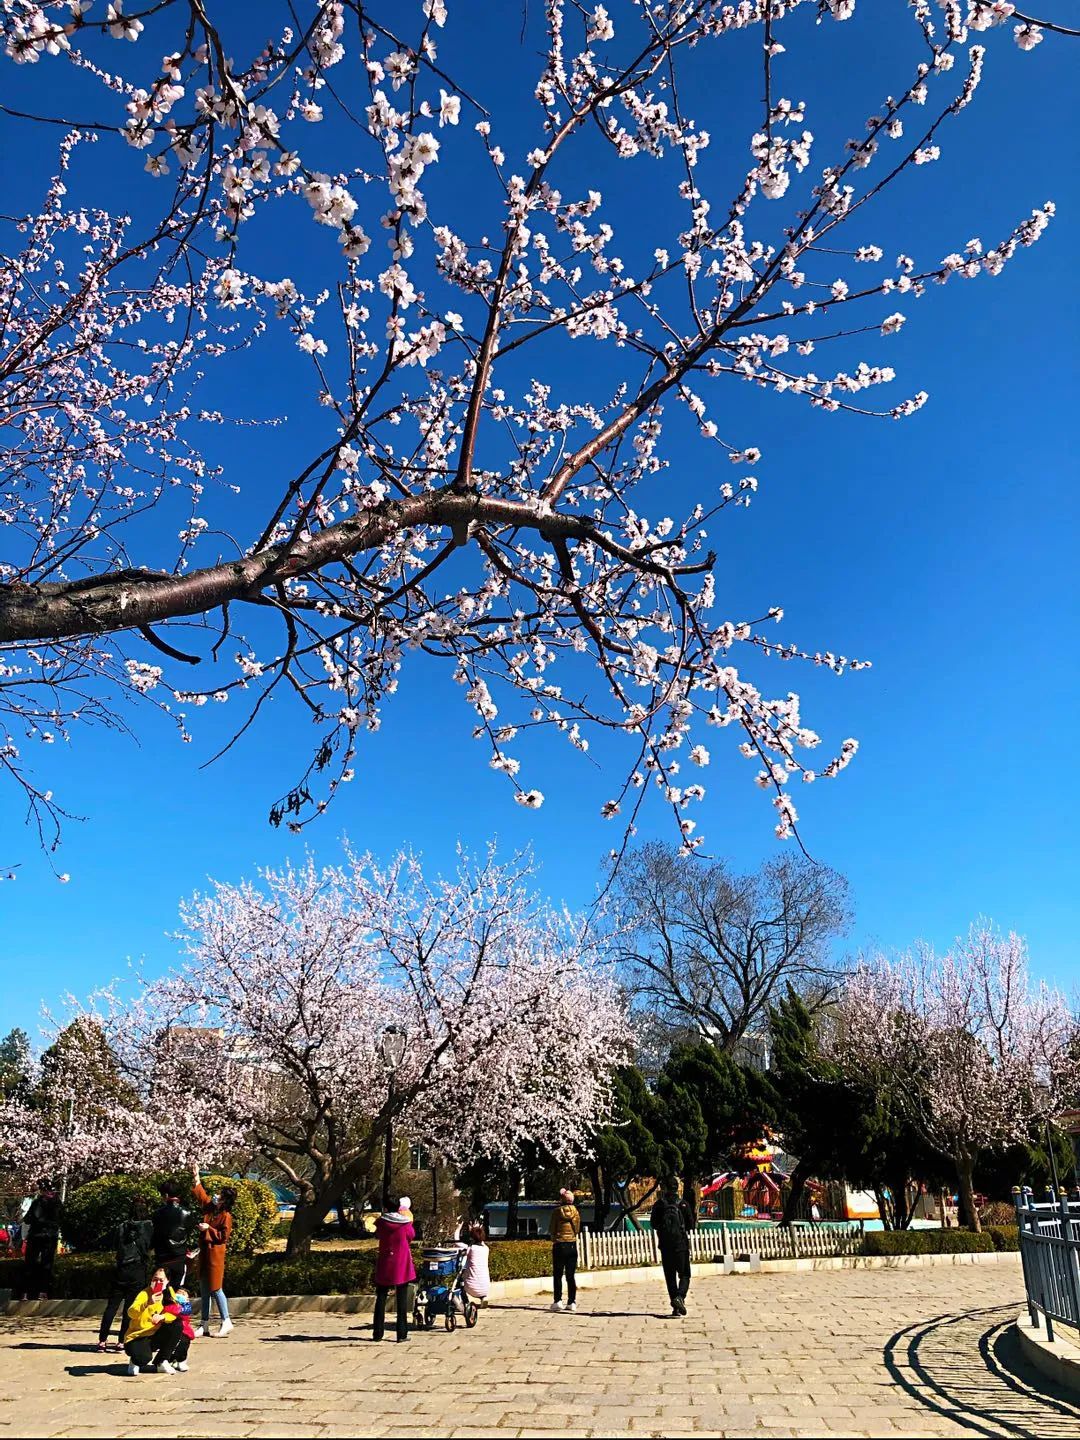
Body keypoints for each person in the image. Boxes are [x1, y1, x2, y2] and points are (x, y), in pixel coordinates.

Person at [97, 1196, 153, 1352]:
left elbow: (111, 1243)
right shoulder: (148, 1226)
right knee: (130, 1308)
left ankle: (102, 1340)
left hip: (121, 1269)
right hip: (137, 1270)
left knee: (112, 1306)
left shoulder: (121, 1227)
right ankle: (121, 1341)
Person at [190, 1164, 235, 1337]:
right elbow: (201, 1196)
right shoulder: (211, 1208)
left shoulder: (226, 1216)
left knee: (216, 1288)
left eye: (221, 1196)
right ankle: (204, 1323)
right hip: (205, 1252)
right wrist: (196, 1177)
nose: (217, 1197)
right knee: (204, 1288)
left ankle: (226, 1320)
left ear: (225, 1200)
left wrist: (208, 1228)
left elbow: (223, 1237)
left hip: (215, 1254)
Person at [123, 1268, 187, 1376]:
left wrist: (163, 1317)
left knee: (177, 1326)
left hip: (156, 1333)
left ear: (167, 1281)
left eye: (161, 1280)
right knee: (143, 1358)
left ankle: (162, 1361)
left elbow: (175, 1312)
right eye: (155, 1279)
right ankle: (135, 1361)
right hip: (138, 1335)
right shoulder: (144, 1294)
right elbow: (131, 1313)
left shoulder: (168, 1292)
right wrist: (147, 1303)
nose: (157, 1283)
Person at [372, 1196, 416, 1343]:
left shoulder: (382, 1222)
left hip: (385, 1261)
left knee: (381, 1298)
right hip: (401, 1262)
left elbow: (378, 1234)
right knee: (401, 1299)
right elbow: (411, 1236)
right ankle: (401, 1333)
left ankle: (377, 1333)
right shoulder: (405, 1223)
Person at [651, 1178, 695, 1317]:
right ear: (677, 1188)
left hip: (665, 1246)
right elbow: (690, 1225)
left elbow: (653, 1223)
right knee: (685, 1274)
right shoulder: (683, 1204)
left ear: (665, 1188)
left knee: (670, 1276)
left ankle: (675, 1306)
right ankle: (680, 1297)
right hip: (680, 1245)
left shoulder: (659, 1205)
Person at [21, 1188, 62, 1300]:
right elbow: (61, 1219)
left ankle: (25, 1292)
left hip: (36, 1235)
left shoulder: (37, 1202)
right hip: (49, 1236)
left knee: (30, 1263)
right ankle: (43, 1292)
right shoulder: (57, 1203)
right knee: (47, 1264)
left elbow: (27, 1219)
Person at [152, 1184, 192, 1288]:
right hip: (179, 1256)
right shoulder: (187, 1212)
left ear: (165, 1195)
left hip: (162, 1256)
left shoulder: (157, 1213)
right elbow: (189, 1231)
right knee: (175, 1290)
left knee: (158, 1290)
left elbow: (155, 1234)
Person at [549, 1188, 581, 1313]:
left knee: (558, 1274)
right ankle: (572, 1302)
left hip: (559, 1243)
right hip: (572, 1244)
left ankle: (558, 1301)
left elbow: (552, 1228)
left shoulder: (557, 1212)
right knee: (570, 1275)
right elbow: (577, 1229)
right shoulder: (576, 1212)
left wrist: (554, 1237)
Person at [457, 1221, 490, 1307]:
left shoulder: (471, 1248)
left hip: (471, 1287)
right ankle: (483, 1298)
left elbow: (456, 1242)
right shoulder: (486, 1249)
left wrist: (458, 1228)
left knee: (460, 1280)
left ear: (471, 1237)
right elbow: (480, 1240)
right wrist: (477, 1229)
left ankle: (465, 1302)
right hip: (485, 1287)